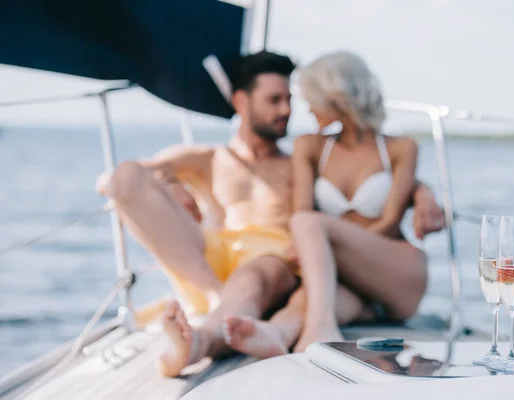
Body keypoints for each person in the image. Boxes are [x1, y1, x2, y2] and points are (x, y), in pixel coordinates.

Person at [96, 50, 444, 377]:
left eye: (290, 99)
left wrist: (422, 191)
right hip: (211, 267)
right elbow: (116, 183)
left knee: (256, 275)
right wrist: (173, 186)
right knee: (125, 174)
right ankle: (219, 300)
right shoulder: (207, 158)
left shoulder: (297, 159)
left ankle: (200, 341)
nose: (288, 110)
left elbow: (367, 175)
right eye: (275, 100)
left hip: (275, 263)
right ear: (241, 102)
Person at [224, 51, 430, 359]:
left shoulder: (401, 148)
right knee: (313, 294)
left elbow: (389, 222)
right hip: (348, 281)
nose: (305, 107)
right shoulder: (310, 147)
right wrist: (326, 259)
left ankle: (320, 326)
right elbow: (300, 209)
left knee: (309, 224)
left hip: (395, 270)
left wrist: (332, 251)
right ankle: (277, 332)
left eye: (310, 98)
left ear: (335, 98)